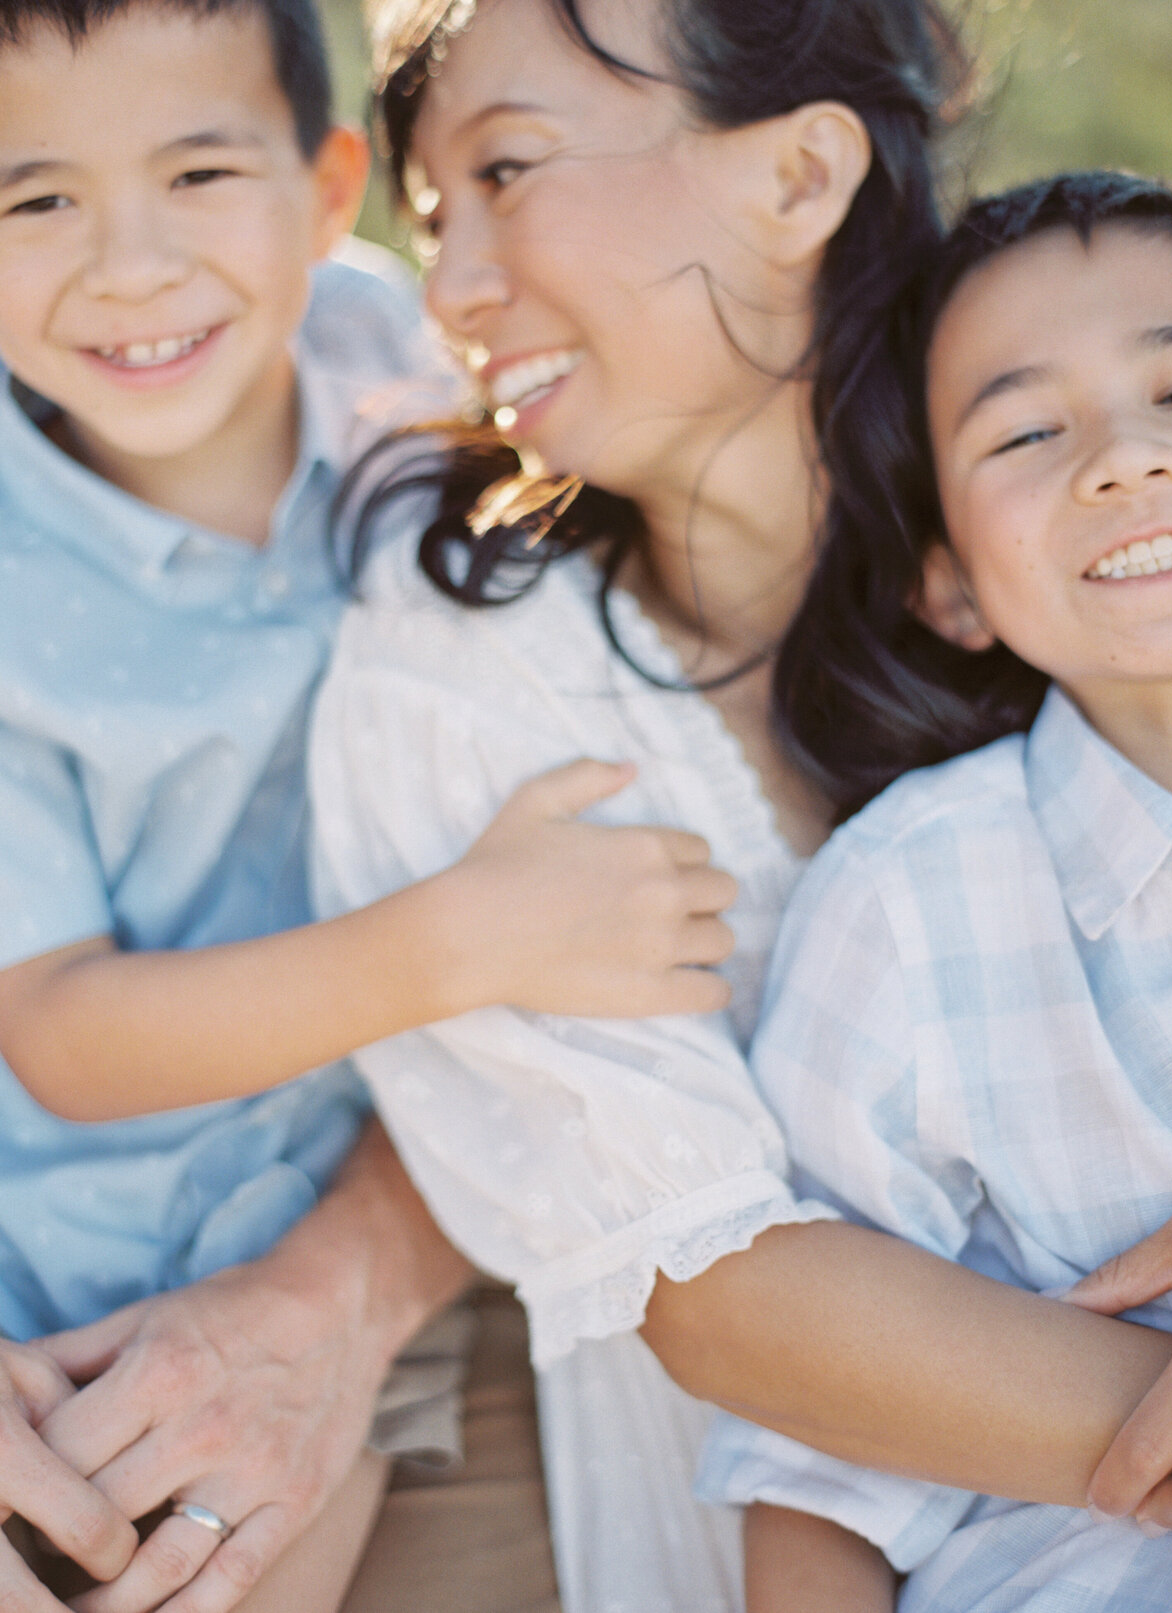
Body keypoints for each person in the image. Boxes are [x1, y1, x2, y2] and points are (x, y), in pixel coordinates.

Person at [310, 3, 1172, 1610]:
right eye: (432, 219)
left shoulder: (1074, 472)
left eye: (509, 171)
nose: (445, 287)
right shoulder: (460, 688)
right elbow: (718, 1289)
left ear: (799, 174)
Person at [0, 0, 740, 1607]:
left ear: (330, 186)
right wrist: (470, 936)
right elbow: (62, 1029)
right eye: (34, 198)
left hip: (361, 1228)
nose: (126, 264)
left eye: (198, 173)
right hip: (70, 1275)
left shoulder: (397, 356)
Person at [698, 168, 1172, 1612]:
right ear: (950, 583)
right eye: (1032, 431)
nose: (1126, 458)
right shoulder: (916, 901)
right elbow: (811, 1449)